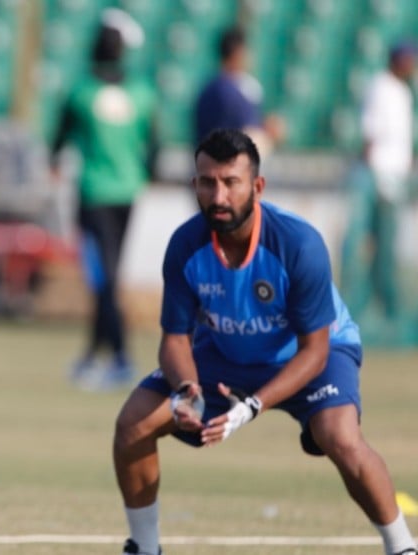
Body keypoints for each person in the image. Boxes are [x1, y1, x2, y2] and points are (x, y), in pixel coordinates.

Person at [112, 129, 417, 555]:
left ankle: (402, 547)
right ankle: (144, 548)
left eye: (230, 182)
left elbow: (316, 350)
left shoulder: (298, 244)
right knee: (133, 424)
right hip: (227, 353)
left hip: (311, 353)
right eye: (206, 181)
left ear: (257, 186)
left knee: (339, 437)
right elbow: (176, 339)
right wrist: (187, 391)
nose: (217, 196)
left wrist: (252, 405)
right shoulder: (185, 245)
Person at [50, 8, 156, 390]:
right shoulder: (142, 92)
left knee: (104, 278)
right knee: (107, 278)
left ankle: (121, 357)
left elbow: (59, 138)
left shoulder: (81, 92)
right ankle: (94, 355)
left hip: (93, 194)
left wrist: (54, 162)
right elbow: (154, 145)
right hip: (128, 192)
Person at [340, 41, 415, 335]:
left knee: (386, 249)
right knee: (363, 245)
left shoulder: (404, 91)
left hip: (395, 180)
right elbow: (371, 132)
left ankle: (387, 311)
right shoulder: (381, 86)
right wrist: (371, 173)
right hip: (376, 176)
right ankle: (355, 309)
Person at [193, 27, 285, 154]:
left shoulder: (233, 86)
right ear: (238, 52)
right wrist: (267, 135)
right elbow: (240, 138)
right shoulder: (223, 91)